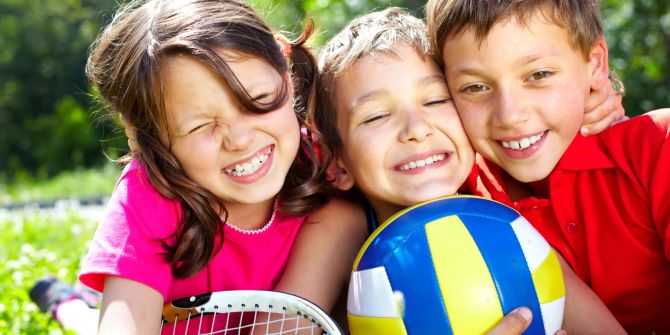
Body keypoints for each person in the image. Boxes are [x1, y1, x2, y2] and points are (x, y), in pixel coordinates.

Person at [44, 0, 368, 334]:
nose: (240, 139)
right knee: (86, 321)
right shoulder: (149, 194)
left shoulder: (327, 169)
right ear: (146, 137)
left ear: (285, 67)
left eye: (256, 100)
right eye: (200, 126)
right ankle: (67, 303)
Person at [313, 7, 627, 334]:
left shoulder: (510, 227)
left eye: (435, 100)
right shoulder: (338, 229)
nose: (417, 129)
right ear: (335, 161)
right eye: (376, 116)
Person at [425, 0, 670, 333]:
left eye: (539, 75)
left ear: (595, 64)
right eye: (475, 87)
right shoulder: (454, 193)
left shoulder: (657, 148)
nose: (510, 115)